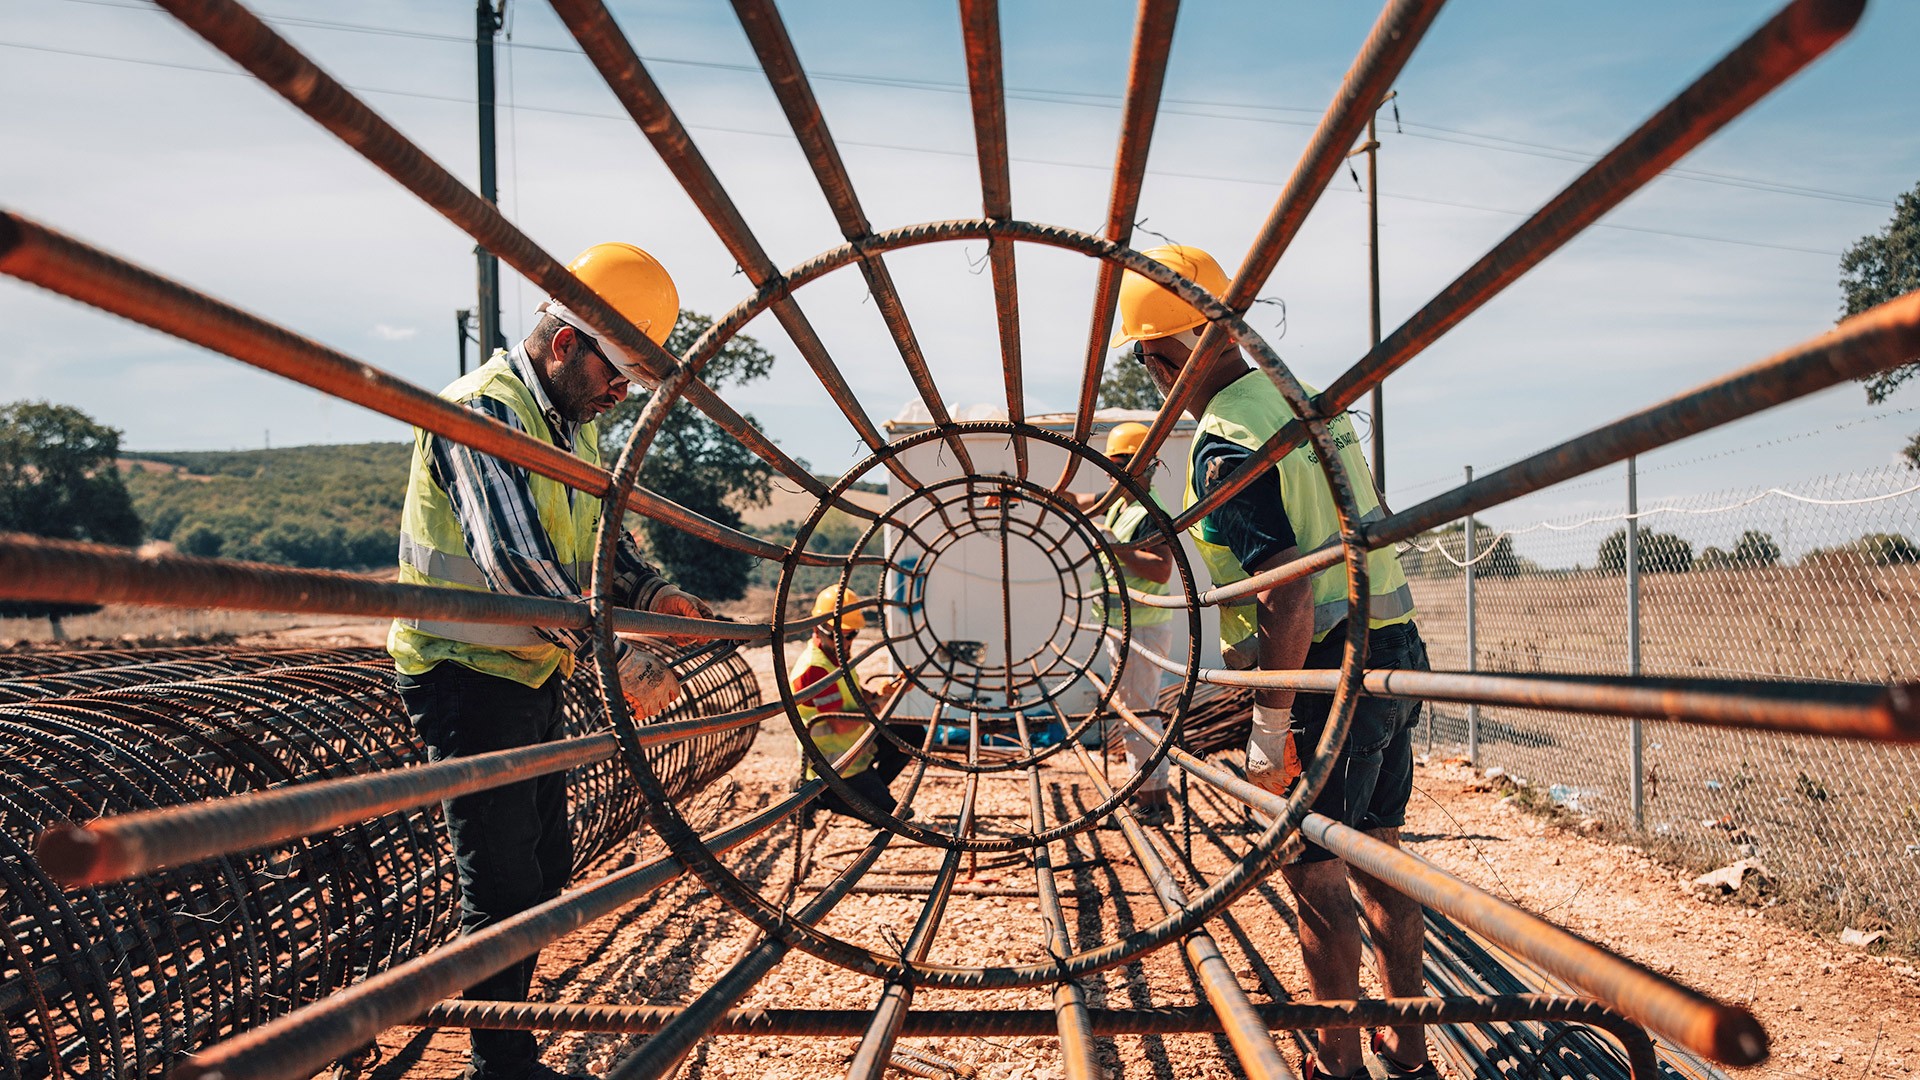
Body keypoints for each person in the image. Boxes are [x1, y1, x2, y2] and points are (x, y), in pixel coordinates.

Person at [387, 242, 712, 1080]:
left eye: (634, 383)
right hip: (463, 673)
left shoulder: (572, 428)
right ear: (565, 343)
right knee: (499, 883)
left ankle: (506, 1049)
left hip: (528, 670)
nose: (622, 393)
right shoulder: (482, 412)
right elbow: (521, 569)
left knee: (541, 870)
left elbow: (600, 541)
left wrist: (656, 592)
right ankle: (500, 1065)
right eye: (618, 374)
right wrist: (624, 663)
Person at [1110, 244, 1435, 1080]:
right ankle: (1410, 1052)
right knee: (1382, 851)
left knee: (1316, 870)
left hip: (1328, 674)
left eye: (1148, 358)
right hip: (1393, 654)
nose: (1150, 374)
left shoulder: (1226, 439)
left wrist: (1269, 721)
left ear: (1166, 351)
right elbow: (1217, 557)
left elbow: (1287, 596)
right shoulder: (1299, 403)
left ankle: (1342, 1066)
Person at [1067, 421, 1178, 825]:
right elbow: (1078, 499)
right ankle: (1144, 795)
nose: (1117, 473)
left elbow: (1162, 570)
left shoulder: (1150, 513)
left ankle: (1151, 801)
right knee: (1133, 711)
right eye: (1113, 465)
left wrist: (1117, 548)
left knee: (1139, 715)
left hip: (1143, 628)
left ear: (1146, 467)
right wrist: (1023, 488)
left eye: (1124, 465)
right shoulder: (1118, 502)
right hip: (1124, 625)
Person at [790, 585, 914, 823]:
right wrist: (879, 705)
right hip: (832, 761)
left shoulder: (837, 656)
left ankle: (868, 789)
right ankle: (825, 796)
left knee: (911, 734)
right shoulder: (815, 670)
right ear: (820, 629)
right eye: (842, 635)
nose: (848, 642)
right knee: (894, 818)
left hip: (855, 747)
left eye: (852, 634)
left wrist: (883, 691)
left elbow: (855, 695)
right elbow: (840, 726)